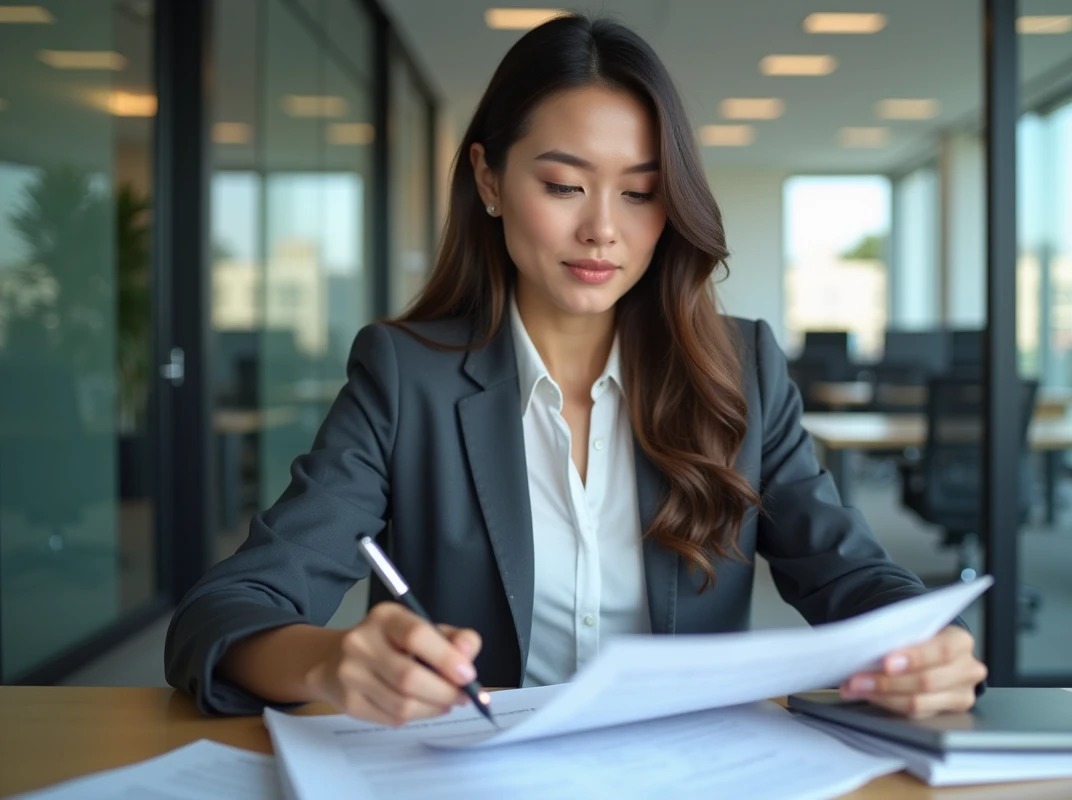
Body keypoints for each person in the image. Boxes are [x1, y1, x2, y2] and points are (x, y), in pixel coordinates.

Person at [165, 13, 986, 726]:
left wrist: (929, 643)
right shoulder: (405, 377)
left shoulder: (743, 369)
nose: (603, 230)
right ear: (488, 179)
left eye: (639, 193)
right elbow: (223, 613)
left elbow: (851, 572)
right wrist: (330, 662)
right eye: (563, 184)